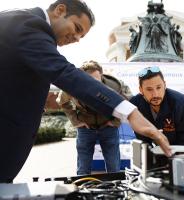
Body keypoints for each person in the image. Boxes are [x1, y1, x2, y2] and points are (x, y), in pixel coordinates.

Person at [0, 0, 171, 183]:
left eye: (81, 35)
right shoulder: (29, 24)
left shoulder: (28, 26)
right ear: (60, 10)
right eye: (77, 28)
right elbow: (64, 72)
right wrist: (129, 112)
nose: (76, 38)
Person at [57, 60, 132, 175]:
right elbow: (62, 102)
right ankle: (81, 191)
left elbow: (129, 102)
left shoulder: (116, 86)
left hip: (109, 128)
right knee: (83, 169)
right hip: (85, 129)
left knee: (114, 169)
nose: (93, 85)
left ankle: (114, 191)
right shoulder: (73, 85)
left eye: (96, 81)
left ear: (101, 76)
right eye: (88, 81)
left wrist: (116, 121)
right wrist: (75, 121)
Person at [130, 66, 184, 146]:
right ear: (141, 90)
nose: (155, 94)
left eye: (158, 87)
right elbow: (142, 139)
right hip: (150, 152)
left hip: (181, 153)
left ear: (165, 85)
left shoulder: (181, 102)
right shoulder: (135, 104)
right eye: (149, 89)